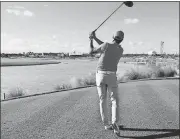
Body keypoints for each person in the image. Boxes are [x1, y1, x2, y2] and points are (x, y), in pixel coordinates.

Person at [89, 30, 124, 135]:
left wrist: (91, 40)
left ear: (113, 36)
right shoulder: (120, 49)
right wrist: (95, 38)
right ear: (122, 39)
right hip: (112, 76)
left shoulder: (106, 45)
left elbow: (92, 51)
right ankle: (115, 122)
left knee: (102, 100)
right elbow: (105, 46)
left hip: (100, 75)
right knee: (114, 100)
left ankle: (106, 124)